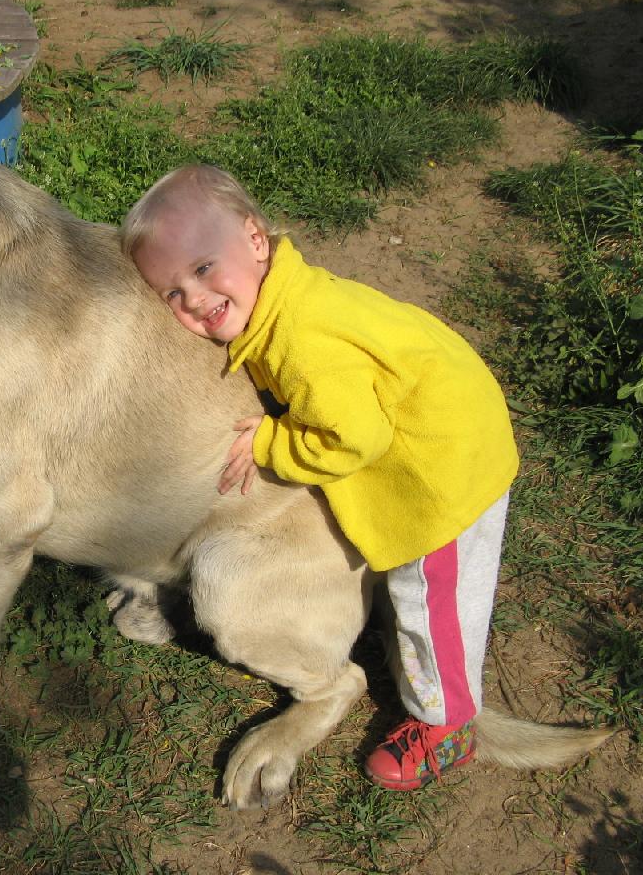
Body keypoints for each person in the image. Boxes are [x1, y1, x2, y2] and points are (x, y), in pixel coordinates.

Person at [121, 164, 519, 791]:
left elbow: (354, 438)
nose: (194, 299)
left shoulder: (301, 341)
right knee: (417, 596)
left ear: (256, 240)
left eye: (203, 268)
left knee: (431, 599)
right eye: (172, 292)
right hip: (446, 428)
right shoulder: (288, 300)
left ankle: (447, 725)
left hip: (445, 474)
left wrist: (272, 442)